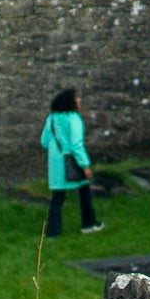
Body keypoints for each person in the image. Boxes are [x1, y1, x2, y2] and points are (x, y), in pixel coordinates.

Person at [40, 88, 104, 236]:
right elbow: (76, 144)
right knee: (84, 191)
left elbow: (44, 141)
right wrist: (85, 165)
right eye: (77, 98)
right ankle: (89, 224)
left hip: (56, 164)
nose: (79, 100)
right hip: (72, 162)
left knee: (57, 199)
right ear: (70, 101)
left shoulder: (51, 119)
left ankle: (53, 233)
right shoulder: (74, 119)